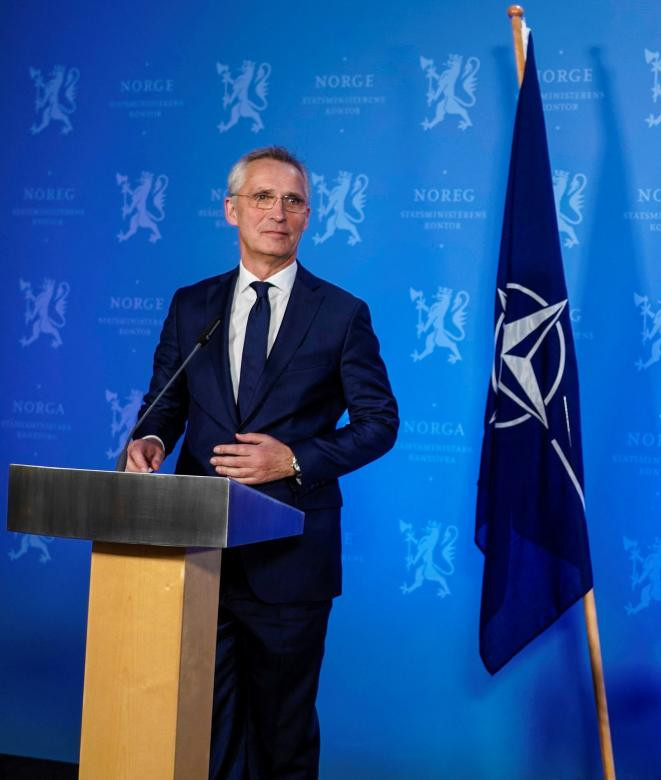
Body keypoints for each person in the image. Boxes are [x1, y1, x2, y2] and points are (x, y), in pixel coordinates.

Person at [124, 146, 399, 779]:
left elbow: (380, 424)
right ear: (231, 210)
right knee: (203, 728)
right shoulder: (193, 305)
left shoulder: (341, 314)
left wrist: (294, 459)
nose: (278, 212)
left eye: (293, 200)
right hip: (196, 556)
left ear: (308, 218)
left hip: (290, 563)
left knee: (282, 733)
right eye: (262, 197)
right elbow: (164, 402)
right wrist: (151, 442)